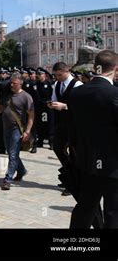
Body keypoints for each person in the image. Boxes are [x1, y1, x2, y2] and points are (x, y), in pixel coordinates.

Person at [68, 50, 118, 228]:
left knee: (86, 207)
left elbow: (71, 128)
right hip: (113, 164)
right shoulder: (114, 94)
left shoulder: (77, 93)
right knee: (113, 211)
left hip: (87, 160)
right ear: (115, 68)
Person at [0, 73, 34, 190]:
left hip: (17, 129)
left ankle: (8, 178)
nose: (11, 84)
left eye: (14, 83)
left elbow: (31, 115)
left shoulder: (26, 97)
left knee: (12, 154)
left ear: (20, 83)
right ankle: (21, 171)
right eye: (11, 82)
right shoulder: (7, 95)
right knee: (12, 153)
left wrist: (27, 131)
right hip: (6, 128)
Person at [48, 62, 83, 195]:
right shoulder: (57, 84)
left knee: (74, 153)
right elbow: (54, 98)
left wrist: (65, 106)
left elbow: (81, 107)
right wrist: (52, 105)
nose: (57, 77)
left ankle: (74, 182)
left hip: (74, 124)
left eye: (59, 75)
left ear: (66, 71)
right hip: (61, 123)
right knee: (58, 148)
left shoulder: (78, 85)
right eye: (55, 75)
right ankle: (68, 174)